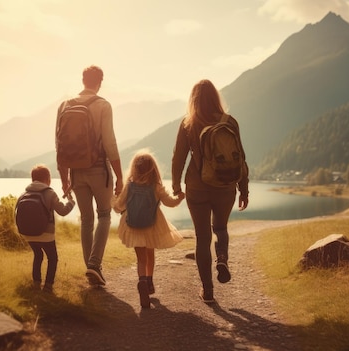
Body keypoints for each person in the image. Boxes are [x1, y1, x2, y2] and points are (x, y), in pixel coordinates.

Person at [171, 79, 249, 304]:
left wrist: (176, 185)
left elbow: (179, 157)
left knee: (202, 238)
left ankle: (208, 291)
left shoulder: (189, 123)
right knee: (221, 228)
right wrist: (244, 189)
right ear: (216, 97)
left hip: (197, 188)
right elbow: (240, 157)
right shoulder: (230, 122)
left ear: (193, 100)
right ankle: (222, 258)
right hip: (225, 187)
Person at [57, 65, 123, 286]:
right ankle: (94, 265)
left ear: (83, 80)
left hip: (76, 172)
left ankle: (91, 268)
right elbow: (110, 142)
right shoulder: (103, 105)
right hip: (98, 170)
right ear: (100, 82)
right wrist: (120, 176)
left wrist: (64, 177)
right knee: (104, 215)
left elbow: (59, 145)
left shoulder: (65, 105)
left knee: (86, 220)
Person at [113, 150, 185, 308]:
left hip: (133, 226)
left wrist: (113, 197)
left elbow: (118, 207)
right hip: (152, 226)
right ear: (153, 169)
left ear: (134, 168)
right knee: (150, 255)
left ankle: (142, 281)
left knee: (141, 259)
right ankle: (150, 282)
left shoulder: (129, 186)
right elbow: (170, 203)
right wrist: (180, 197)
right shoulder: (156, 187)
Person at [20, 164, 76, 293]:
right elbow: (62, 211)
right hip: (46, 234)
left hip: (28, 234)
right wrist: (71, 202)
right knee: (52, 258)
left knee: (38, 255)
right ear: (48, 179)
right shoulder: (49, 193)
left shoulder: (25, 194)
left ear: (32, 179)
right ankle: (48, 286)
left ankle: (36, 283)